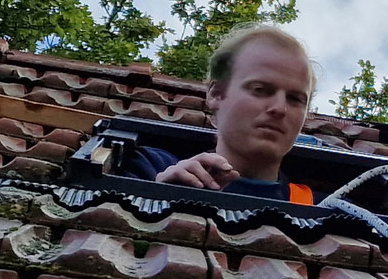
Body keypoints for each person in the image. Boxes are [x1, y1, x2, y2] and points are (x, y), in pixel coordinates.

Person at [124, 24, 317, 203]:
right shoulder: (144, 167)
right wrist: (157, 202)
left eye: (295, 99)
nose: (279, 108)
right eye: (260, 89)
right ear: (216, 93)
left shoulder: (321, 207)